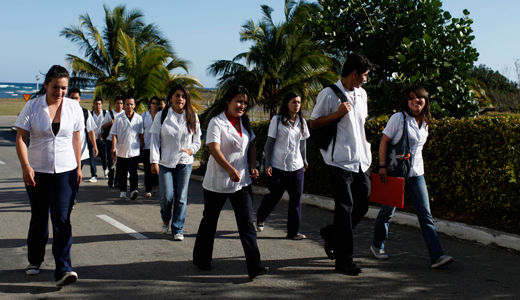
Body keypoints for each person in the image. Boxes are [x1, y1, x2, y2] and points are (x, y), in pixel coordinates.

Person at [371, 85, 455, 269]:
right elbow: (384, 141)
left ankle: (436, 256)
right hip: (397, 174)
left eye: (419, 98)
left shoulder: (425, 122)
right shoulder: (398, 118)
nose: (415, 101)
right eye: (411, 98)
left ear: (426, 101)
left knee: (425, 215)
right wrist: (382, 166)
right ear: (406, 101)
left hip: (417, 174)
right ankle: (377, 245)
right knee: (387, 212)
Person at [14, 65, 82, 286]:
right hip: (38, 171)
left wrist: (79, 167)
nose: (60, 92)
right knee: (40, 217)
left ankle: (64, 269)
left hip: (66, 172)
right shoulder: (33, 106)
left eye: (64, 88)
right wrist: (25, 166)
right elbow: (21, 139)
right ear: (46, 85)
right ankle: (35, 259)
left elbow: (76, 140)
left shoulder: (74, 108)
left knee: (62, 219)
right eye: (55, 87)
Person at [193, 85, 268, 280]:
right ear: (228, 101)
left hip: (241, 182)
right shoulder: (217, 122)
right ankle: (201, 259)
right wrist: (228, 169)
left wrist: (252, 165)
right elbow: (213, 148)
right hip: (217, 181)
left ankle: (255, 265)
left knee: (246, 225)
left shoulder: (244, 122)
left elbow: (251, 144)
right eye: (238, 101)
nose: (242, 105)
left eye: (245, 102)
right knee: (210, 222)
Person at [310, 53, 373, 276]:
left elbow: (361, 125)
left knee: (362, 205)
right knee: (344, 209)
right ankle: (344, 261)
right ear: (355, 74)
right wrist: (337, 114)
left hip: (361, 161)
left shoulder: (362, 95)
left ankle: (332, 233)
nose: (366, 80)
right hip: (338, 161)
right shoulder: (328, 94)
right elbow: (314, 124)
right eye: (364, 75)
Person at [255, 92, 310, 240]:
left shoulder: (302, 122)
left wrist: (304, 160)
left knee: (296, 200)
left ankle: (293, 232)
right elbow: (270, 143)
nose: (296, 105)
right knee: (274, 195)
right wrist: (268, 163)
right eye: (293, 102)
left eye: (298, 102)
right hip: (278, 165)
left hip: (296, 166)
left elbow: (303, 144)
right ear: (287, 104)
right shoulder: (277, 120)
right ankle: (261, 217)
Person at [150, 86, 201, 241]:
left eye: (183, 96)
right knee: (166, 196)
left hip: (184, 162)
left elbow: (197, 140)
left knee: (181, 198)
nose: (180, 99)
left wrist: (191, 150)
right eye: (177, 95)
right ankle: (166, 218)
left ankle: (178, 228)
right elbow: (154, 138)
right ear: (171, 98)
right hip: (165, 161)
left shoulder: (192, 116)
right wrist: (154, 160)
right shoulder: (162, 115)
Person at [110, 96, 144, 200]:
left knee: (133, 171)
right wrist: (114, 147)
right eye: (127, 104)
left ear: (134, 105)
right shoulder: (119, 118)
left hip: (134, 150)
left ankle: (134, 190)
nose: (129, 106)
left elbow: (141, 134)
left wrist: (142, 144)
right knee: (122, 172)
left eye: (131, 104)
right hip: (122, 149)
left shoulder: (139, 118)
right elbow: (114, 133)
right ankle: (123, 191)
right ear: (124, 105)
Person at [68, 88, 98, 183]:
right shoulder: (62, 112)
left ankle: (72, 194)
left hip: (80, 151)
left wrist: (94, 146)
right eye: (72, 98)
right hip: (66, 151)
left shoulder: (85, 113)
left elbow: (90, 130)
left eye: (76, 98)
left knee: (76, 176)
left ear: (79, 99)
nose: (74, 100)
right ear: (68, 98)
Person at [101, 96, 124, 188]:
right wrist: (111, 122)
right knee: (111, 161)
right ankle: (111, 179)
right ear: (115, 104)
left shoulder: (125, 114)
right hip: (110, 140)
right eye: (118, 103)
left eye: (121, 103)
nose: (119, 105)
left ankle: (117, 180)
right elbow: (102, 127)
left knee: (120, 162)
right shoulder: (109, 114)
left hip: (122, 141)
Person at [141, 96, 160, 198]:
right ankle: (148, 189)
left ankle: (155, 185)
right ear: (150, 104)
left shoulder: (161, 116)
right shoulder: (144, 116)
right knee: (147, 169)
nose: (155, 105)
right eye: (153, 103)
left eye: (157, 103)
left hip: (158, 147)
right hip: (146, 146)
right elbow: (140, 131)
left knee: (156, 168)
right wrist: (141, 142)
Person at [91, 98, 109, 178]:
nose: (97, 105)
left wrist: (103, 134)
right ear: (94, 105)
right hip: (93, 139)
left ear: (101, 105)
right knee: (92, 157)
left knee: (104, 156)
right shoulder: (90, 114)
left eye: (99, 104)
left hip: (102, 139)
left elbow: (110, 126)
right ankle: (94, 175)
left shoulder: (105, 113)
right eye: (96, 104)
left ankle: (105, 170)